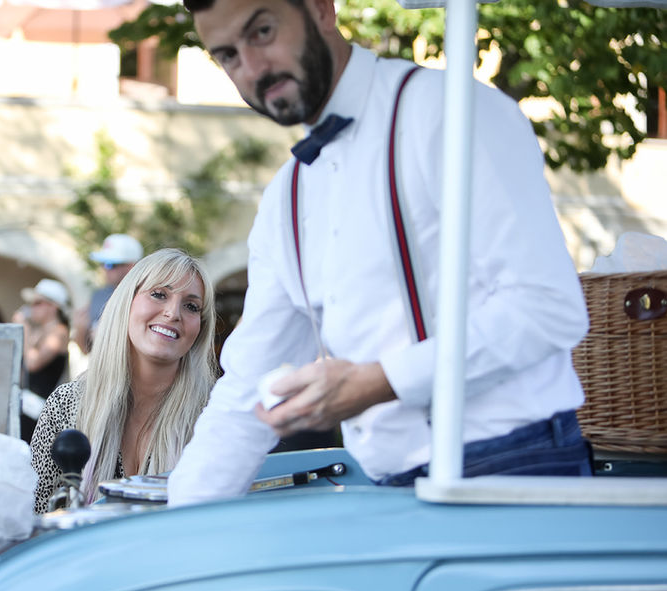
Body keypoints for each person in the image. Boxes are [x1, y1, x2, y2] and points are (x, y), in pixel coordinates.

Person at [167, 0, 592, 506]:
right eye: (228, 56)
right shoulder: (287, 195)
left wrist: (380, 381)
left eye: (262, 32)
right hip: (387, 490)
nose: (253, 69)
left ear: (321, 9)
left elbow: (547, 308)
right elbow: (248, 387)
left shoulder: (452, 111)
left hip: (517, 465)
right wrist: (177, 519)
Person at [31, 248, 218, 513]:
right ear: (126, 302)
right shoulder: (67, 403)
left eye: (191, 306)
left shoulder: (216, 412)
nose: (173, 313)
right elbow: (36, 513)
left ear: (201, 327)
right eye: (159, 294)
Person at [13, 279, 72, 443]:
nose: (32, 307)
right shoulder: (41, 331)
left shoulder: (59, 332)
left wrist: (24, 329)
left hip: (41, 413)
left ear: (54, 307)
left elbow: (33, 363)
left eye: (38, 303)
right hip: (28, 407)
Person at [72, 234, 144, 355]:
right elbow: (86, 351)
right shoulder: (99, 295)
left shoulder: (144, 299)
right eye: (102, 263)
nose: (105, 268)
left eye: (110, 264)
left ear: (132, 266)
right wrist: (80, 329)